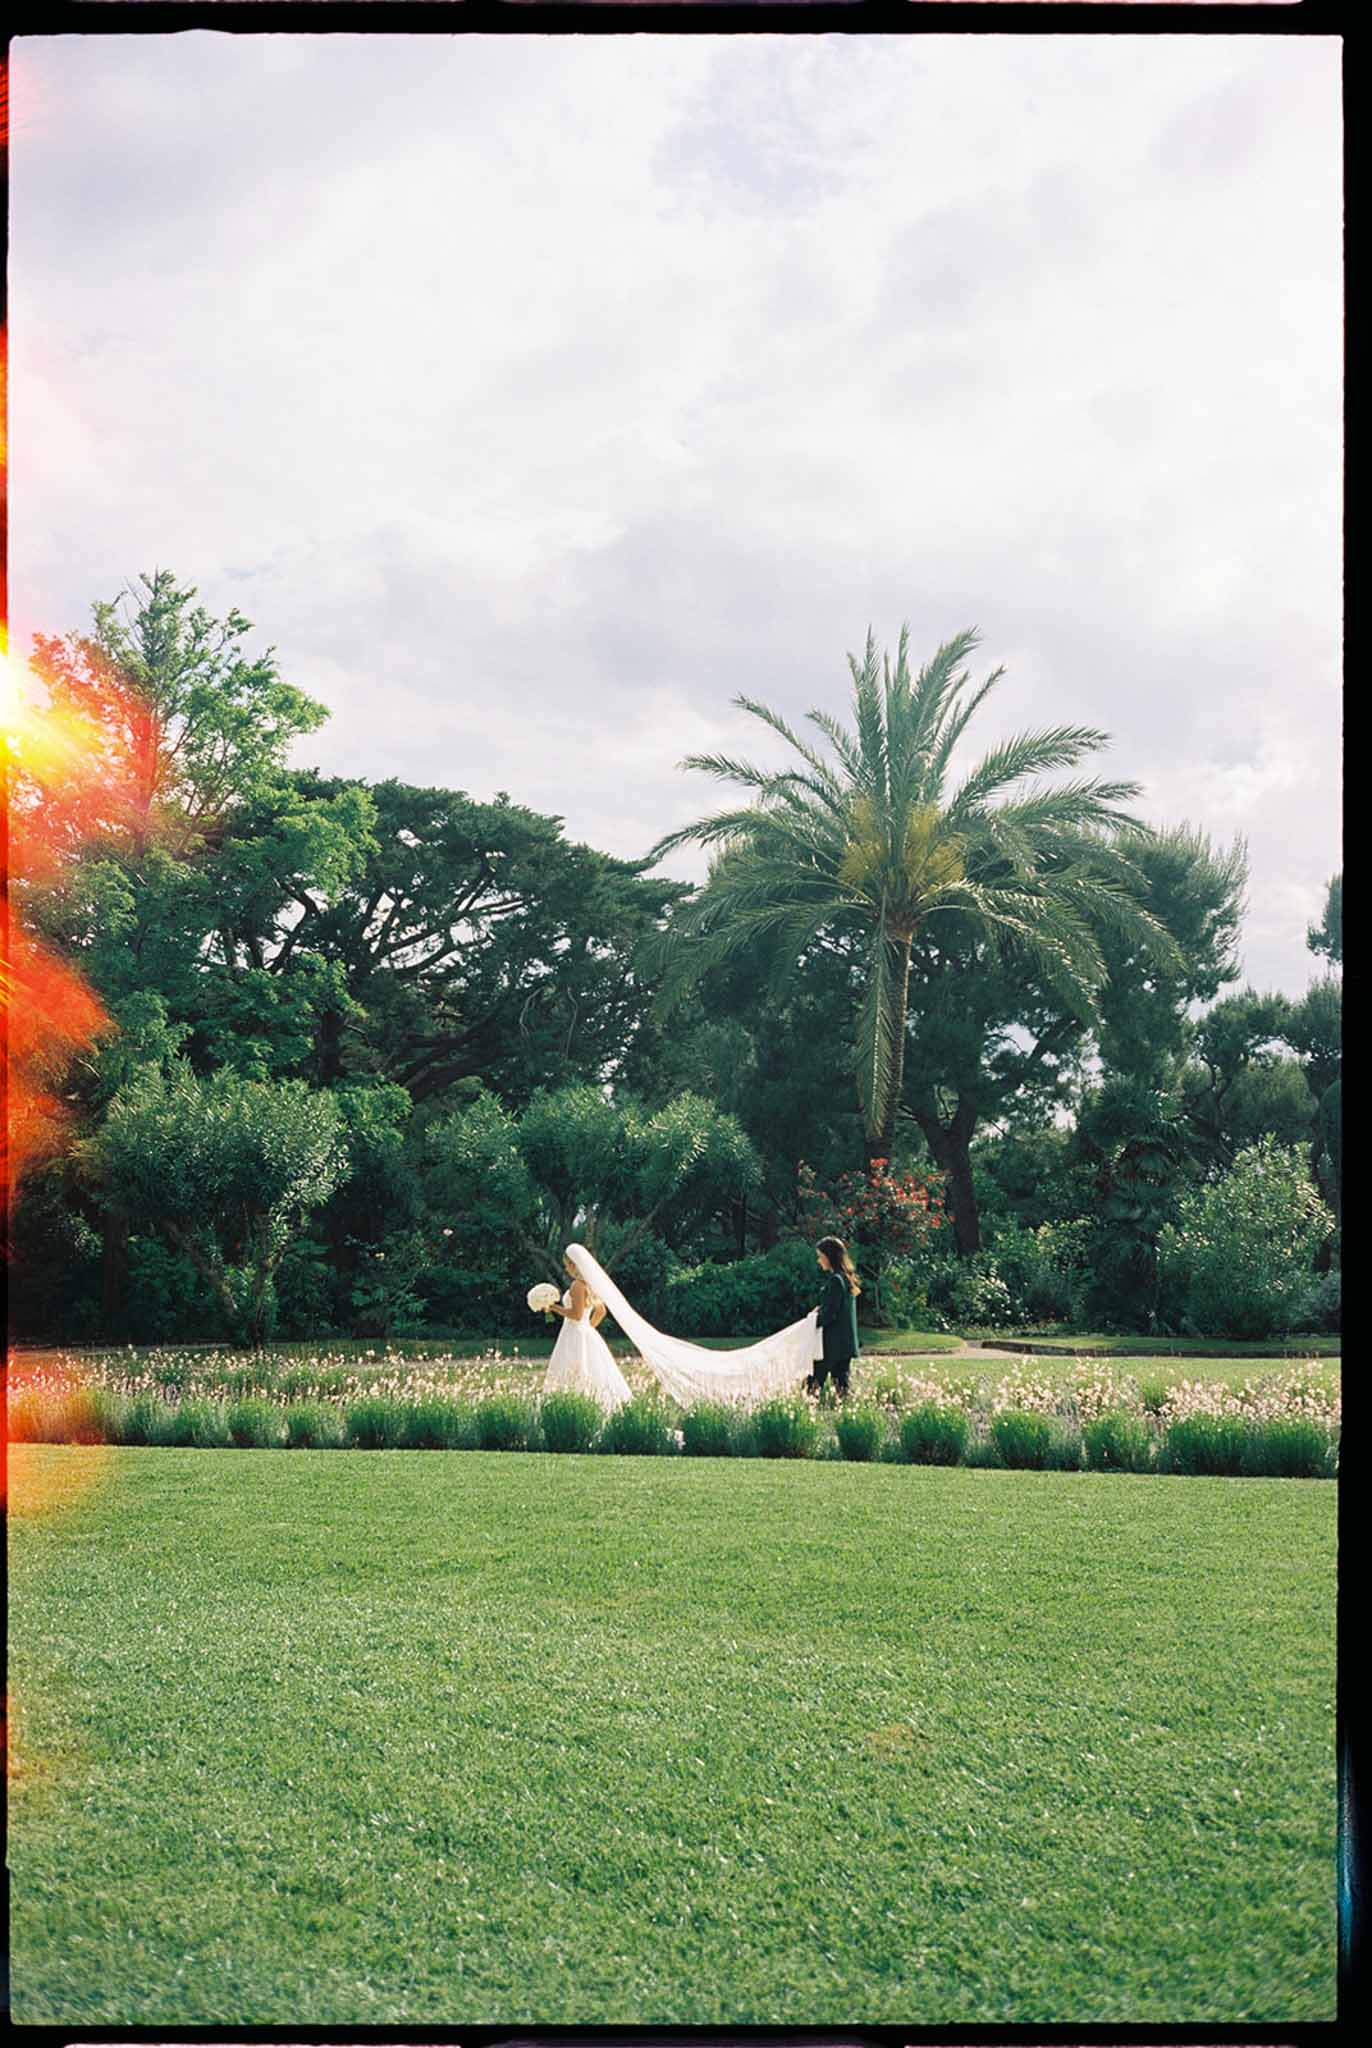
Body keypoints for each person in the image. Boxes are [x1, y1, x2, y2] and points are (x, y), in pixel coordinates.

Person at [541, 1253, 633, 1412]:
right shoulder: (590, 1285)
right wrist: (589, 1328)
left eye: (567, 1265)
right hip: (584, 1332)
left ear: (574, 1265)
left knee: (573, 1370)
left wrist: (553, 1307)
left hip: (573, 1333)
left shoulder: (577, 1285)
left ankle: (572, 1410)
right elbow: (601, 1311)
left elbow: (576, 1315)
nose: (565, 1268)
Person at [808, 1235, 861, 1399]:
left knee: (813, 1382)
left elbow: (830, 1314)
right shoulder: (846, 1278)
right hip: (844, 1344)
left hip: (832, 1344)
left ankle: (804, 1416)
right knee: (842, 1387)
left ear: (829, 1256)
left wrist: (810, 1321)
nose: (819, 1260)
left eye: (821, 1256)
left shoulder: (836, 1281)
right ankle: (849, 1418)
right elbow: (837, 1308)